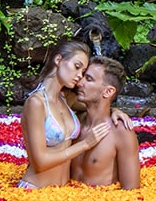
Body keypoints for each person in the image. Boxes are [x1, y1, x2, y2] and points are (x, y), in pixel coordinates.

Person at [18, 40, 111, 189]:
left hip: (62, 194)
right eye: (77, 67)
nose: (79, 76)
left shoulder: (65, 99)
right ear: (58, 60)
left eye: (83, 72)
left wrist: (116, 112)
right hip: (35, 191)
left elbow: (96, 107)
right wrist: (85, 144)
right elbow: (40, 163)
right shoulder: (36, 103)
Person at [71, 56, 140, 189]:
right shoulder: (74, 122)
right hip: (63, 198)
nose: (79, 83)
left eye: (89, 79)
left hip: (102, 200)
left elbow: (131, 189)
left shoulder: (121, 131)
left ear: (108, 91)